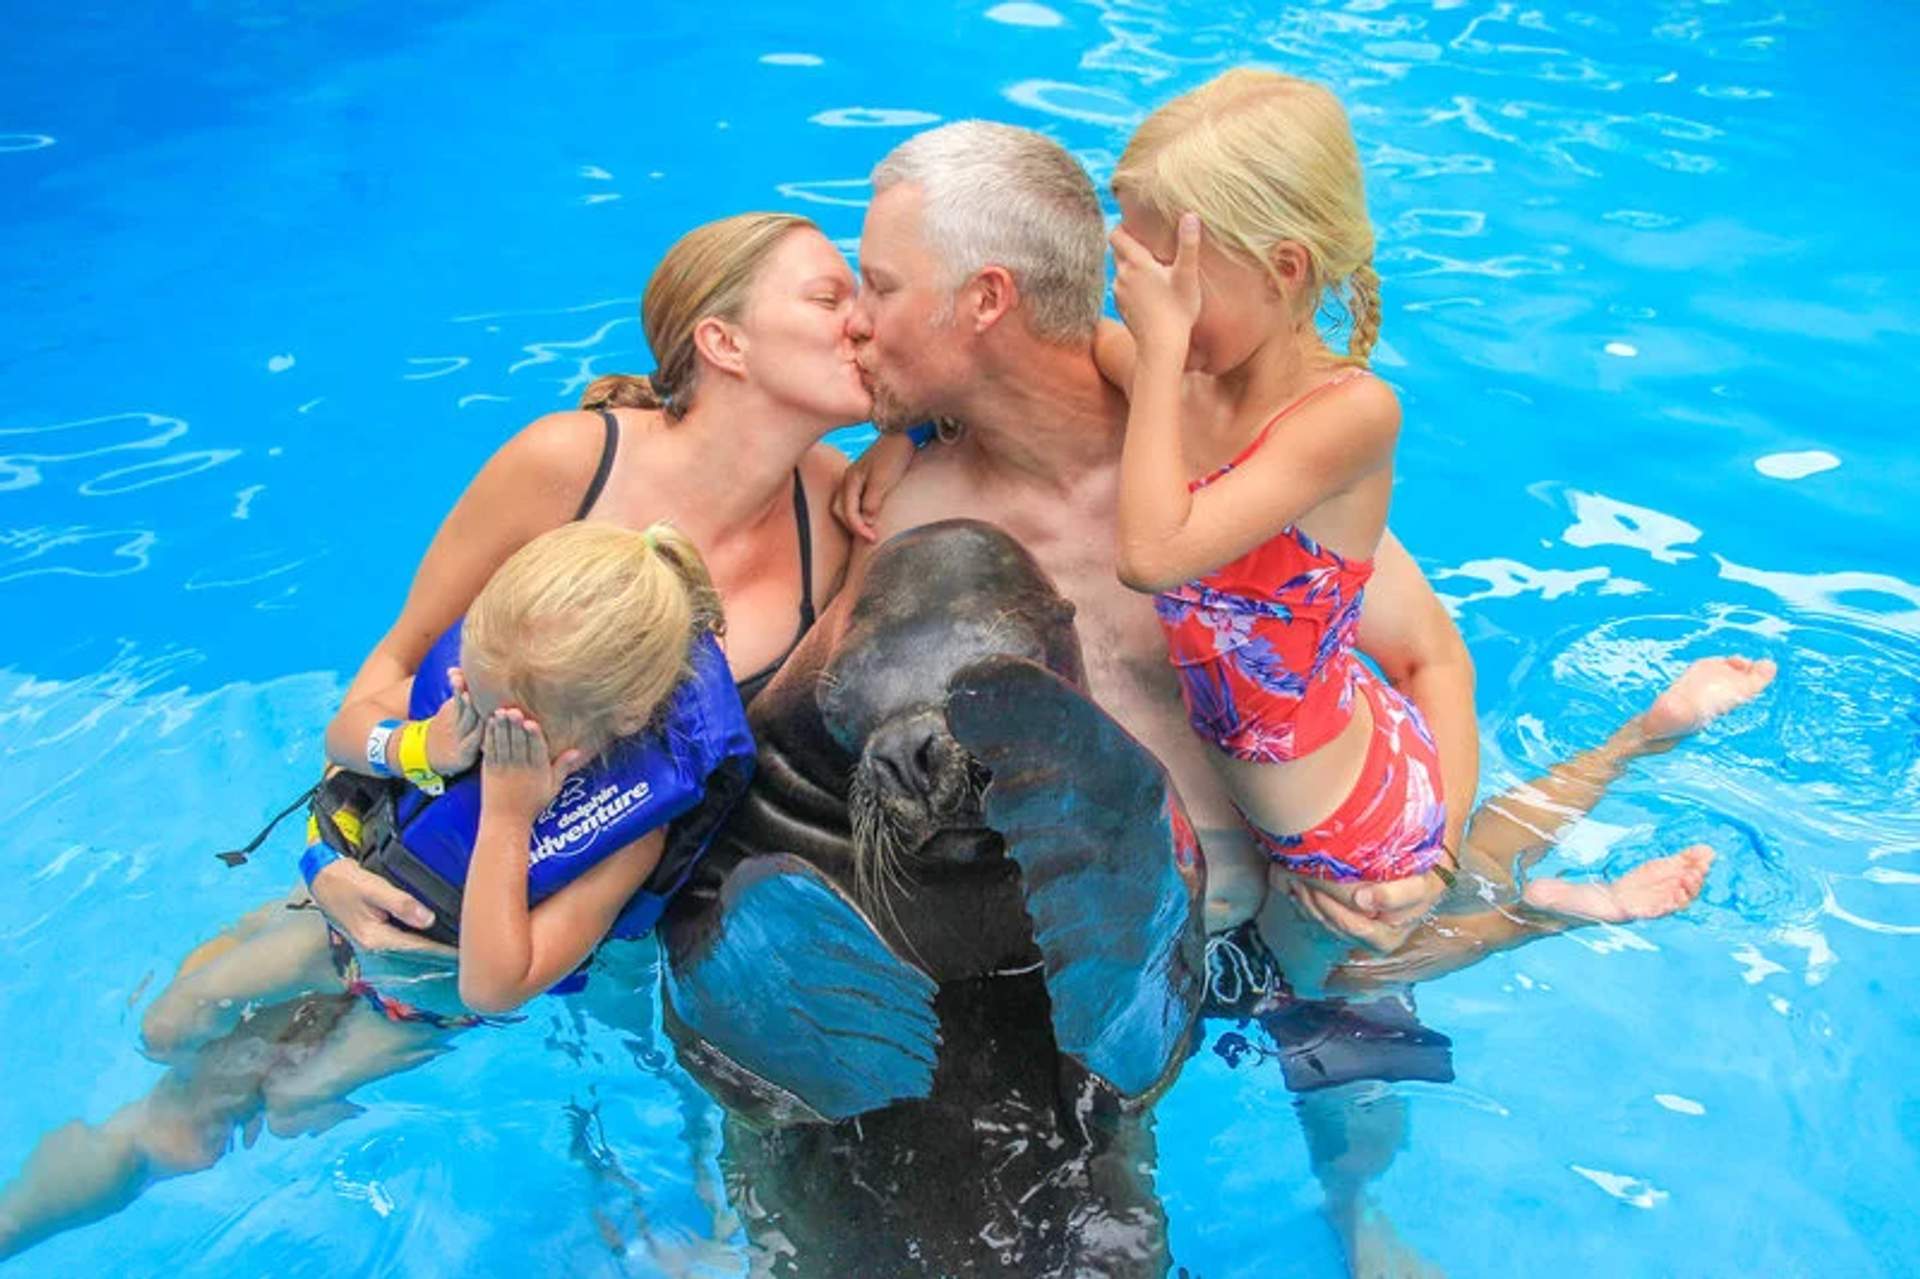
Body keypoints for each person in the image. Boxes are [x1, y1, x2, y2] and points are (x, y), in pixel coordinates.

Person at [831, 117, 1773, 1275]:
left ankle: (1355, 1211)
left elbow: (1432, 655)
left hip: (1315, 879)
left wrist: (1425, 865)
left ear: (985, 300)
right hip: (1123, 953)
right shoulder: (912, 531)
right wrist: (902, 424)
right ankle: (1600, 795)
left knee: (1367, 1070)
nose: (852, 316)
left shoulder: (1226, 458)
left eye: (877, 286)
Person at [0, 522, 753, 1260]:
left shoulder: (631, 834)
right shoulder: (482, 680)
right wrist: (422, 743)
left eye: (505, 720)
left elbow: (494, 986)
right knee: (170, 1024)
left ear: (615, 721)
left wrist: (508, 814)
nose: (476, 714)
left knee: (282, 1107)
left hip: (418, 1000)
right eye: (469, 690)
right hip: (326, 919)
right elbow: (345, 731)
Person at [309, 211, 869, 960]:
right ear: (723, 341)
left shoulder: (839, 513)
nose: (863, 321)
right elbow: (391, 671)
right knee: (176, 1034)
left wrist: (910, 441)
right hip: (397, 863)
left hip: (550, 946)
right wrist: (322, 860)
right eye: (829, 299)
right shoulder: (565, 466)